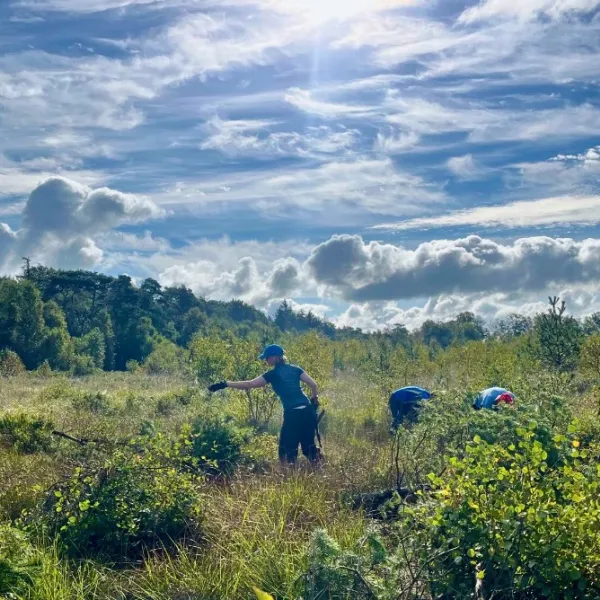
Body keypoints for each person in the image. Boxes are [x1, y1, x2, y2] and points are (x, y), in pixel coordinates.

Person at [208, 344, 322, 465]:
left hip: (293, 413)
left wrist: (226, 384)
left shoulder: (272, 374)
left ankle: (289, 477)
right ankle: (320, 470)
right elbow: (313, 384)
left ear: (276, 357)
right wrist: (314, 400)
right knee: (309, 448)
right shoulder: (296, 369)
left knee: (286, 450)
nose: (265, 360)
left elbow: (249, 384)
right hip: (308, 411)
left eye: (267, 357)